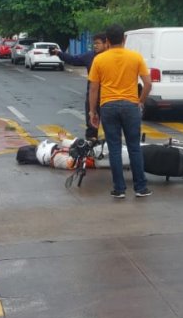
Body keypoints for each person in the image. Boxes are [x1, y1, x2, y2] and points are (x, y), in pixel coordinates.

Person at [88, 25, 152, 199]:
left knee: (114, 149)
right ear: (124, 39)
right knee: (134, 148)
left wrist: (92, 112)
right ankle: (140, 188)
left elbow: (94, 88)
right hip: (131, 106)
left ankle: (119, 189)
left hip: (108, 106)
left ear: (107, 41)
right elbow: (148, 84)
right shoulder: (135, 57)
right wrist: (140, 102)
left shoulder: (99, 59)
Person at [52, 33, 106, 140]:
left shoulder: (110, 57)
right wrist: (59, 54)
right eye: (94, 43)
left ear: (106, 44)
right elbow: (73, 60)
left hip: (108, 96)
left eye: (98, 43)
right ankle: (90, 146)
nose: (95, 46)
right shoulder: (89, 56)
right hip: (92, 95)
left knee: (110, 125)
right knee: (91, 125)